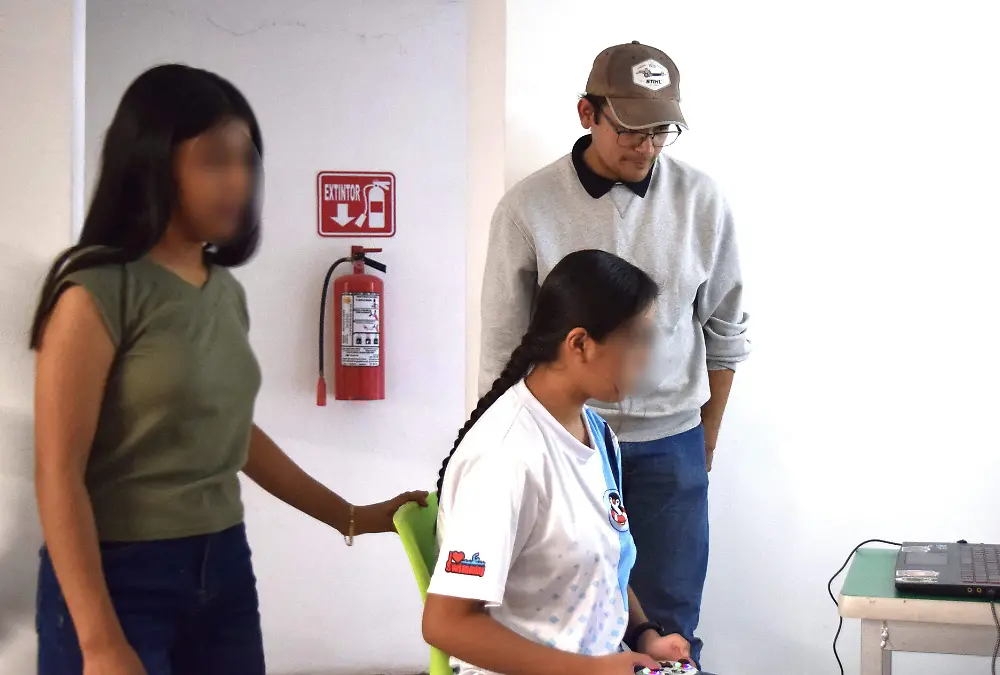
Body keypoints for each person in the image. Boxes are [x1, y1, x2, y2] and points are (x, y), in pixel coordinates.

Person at [29, 64, 427, 675]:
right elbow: (58, 473)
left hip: (222, 568)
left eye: (248, 159)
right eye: (215, 159)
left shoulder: (222, 291)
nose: (239, 180)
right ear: (152, 162)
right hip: (117, 577)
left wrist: (351, 515)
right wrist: (100, 640)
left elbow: (232, 433)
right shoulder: (96, 292)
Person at [478, 41, 750, 664]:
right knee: (572, 623)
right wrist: (504, 448)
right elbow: (502, 345)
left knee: (671, 627)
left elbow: (727, 329)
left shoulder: (702, 202)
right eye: (629, 128)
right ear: (586, 113)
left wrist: (703, 441)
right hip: (562, 445)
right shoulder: (527, 208)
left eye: (661, 130)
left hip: (670, 445)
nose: (645, 146)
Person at [424, 249, 699, 675]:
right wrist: (593, 670)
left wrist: (646, 635)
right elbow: (445, 624)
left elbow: (603, 561)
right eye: (637, 338)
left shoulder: (596, 433)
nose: (646, 355)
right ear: (580, 344)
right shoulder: (507, 457)